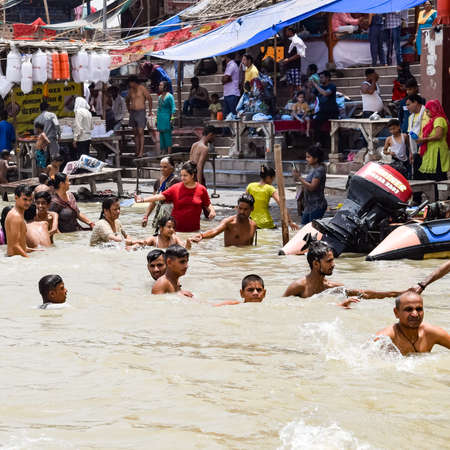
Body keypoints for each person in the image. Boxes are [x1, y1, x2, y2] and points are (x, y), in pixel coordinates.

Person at [283, 241, 405, 301]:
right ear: (315, 264)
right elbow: (282, 308)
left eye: (333, 260)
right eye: (329, 261)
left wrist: (397, 294)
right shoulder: (298, 286)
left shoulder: (332, 287)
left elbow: (365, 294)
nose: (333, 264)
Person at [135, 161, 216, 233]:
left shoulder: (201, 189)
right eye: (181, 175)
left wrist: (212, 211)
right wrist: (142, 200)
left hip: (194, 232)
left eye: (185, 175)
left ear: (192, 175)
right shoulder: (176, 188)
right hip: (176, 232)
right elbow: (159, 197)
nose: (182, 178)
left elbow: (207, 203)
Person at [376, 291, 450, 355]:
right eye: (408, 309)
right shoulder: (385, 338)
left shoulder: (431, 333)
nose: (415, 314)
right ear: (396, 312)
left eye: (419, 309)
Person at [192, 193, 257, 247]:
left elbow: (250, 246)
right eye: (240, 208)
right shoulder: (229, 222)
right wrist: (202, 236)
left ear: (252, 209)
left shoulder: (253, 225)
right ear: (237, 207)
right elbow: (214, 231)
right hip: (231, 259)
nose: (242, 212)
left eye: (245, 209)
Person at [246, 165, 298, 230]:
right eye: (272, 179)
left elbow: (244, 202)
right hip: (266, 223)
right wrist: (290, 221)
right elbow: (281, 204)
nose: (272, 181)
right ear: (268, 177)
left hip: (251, 222)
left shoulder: (250, 186)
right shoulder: (270, 188)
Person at [141, 156, 180, 230]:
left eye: (165, 167)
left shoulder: (177, 181)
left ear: (172, 168)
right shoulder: (158, 182)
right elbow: (153, 202)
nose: (162, 169)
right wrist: (146, 216)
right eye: (161, 167)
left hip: (172, 215)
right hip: (160, 213)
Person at [416, 99, 450, 182]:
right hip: (432, 150)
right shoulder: (433, 120)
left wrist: (424, 140)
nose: (427, 114)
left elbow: (438, 136)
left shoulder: (439, 119)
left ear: (434, 109)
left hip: (438, 150)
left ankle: (441, 194)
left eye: (428, 111)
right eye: (426, 112)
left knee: (439, 175)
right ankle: (436, 194)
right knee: (433, 176)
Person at [293, 146, 327, 225]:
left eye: (309, 157)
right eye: (306, 157)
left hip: (317, 205)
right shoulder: (313, 169)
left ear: (316, 158)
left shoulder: (320, 170)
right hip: (309, 206)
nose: (306, 159)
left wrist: (299, 177)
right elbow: (306, 184)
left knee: (312, 231)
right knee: (304, 229)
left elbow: (312, 187)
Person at [126, 76, 153, 158]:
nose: (129, 84)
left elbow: (150, 98)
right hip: (133, 112)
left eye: (130, 82)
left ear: (134, 82)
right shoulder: (130, 90)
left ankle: (141, 152)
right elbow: (127, 100)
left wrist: (150, 111)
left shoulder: (142, 88)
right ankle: (137, 151)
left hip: (141, 111)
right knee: (135, 133)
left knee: (140, 132)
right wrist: (128, 109)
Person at [5, 185, 34, 257]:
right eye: (25, 199)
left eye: (30, 200)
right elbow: (15, 245)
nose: (28, 203)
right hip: (15, 261)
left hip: (17, 259)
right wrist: (29, 259)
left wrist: (28, 249)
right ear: (16, 198)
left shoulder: (18, 215)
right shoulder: (16, 216)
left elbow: (17, 243)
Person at [310, 71, 339, 141]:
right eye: (319, 78)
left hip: (332, 111)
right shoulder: (319, 87)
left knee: (336, 129)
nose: (320, 79)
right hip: (322, 111)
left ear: (328, 78)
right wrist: (308, 87)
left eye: (322, 77)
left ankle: (339, 146)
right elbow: (310, 97)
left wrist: (315, 85)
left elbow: (325, 93)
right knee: (315, 125)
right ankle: (318, 144)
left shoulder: (332, 86)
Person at [406, 94, 428, 178]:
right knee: (417, 175)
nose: (407, 107)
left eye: (408, 104)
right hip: (416, 150)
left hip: (427, 147)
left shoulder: (427, 113)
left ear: (415, 102)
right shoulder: (410, 117)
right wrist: (411, 152)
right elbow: (410, 134)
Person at [281, 27, 304, 96]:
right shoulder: (288, 41)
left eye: (287, 31)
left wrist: (288, 60)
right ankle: (291, 100)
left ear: (291, 32)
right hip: (289, 67)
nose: (285, 33)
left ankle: (301, 99)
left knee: (297, 85)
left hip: (295, 66)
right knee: (290, 85)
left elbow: (299, 54)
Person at [156, 81, 176, 155]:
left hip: (167, 117)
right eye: (159, 85)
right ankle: (163, 151)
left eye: (161, 85)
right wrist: (156, 119)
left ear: (165, 87)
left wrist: (172, 119)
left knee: (167, 135)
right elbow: (158, 109)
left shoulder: (170, 96)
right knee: (161, 136)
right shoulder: (159, 97)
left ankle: (169, 153)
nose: (159, 86)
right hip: (160, 118)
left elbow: (173, 108)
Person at [222, 53, 240, 117]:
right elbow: (225, 79)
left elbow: (224, 79)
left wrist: (225, 79)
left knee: (233, 115)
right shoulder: (229, 65)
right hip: (228, 93)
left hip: (232, 94)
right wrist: (226, 79)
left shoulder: (232, 65)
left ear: (227, 57)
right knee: (227, 115)